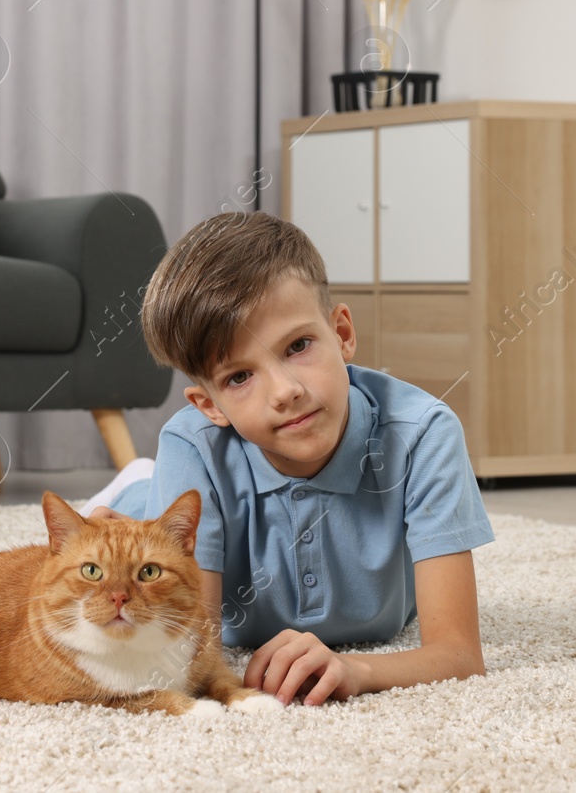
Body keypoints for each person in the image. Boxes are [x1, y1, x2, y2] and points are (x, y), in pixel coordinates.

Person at [80, 210, 493, 706]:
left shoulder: (425, 434)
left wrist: (355, 669)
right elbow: (192, 649)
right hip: (175, 495)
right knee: (150, 531)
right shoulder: (193, 446)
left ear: (342, 334)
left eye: (298, 346)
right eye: (239, 377)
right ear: (210, 405)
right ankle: (139, 491)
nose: (286, 391)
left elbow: (459, 656)